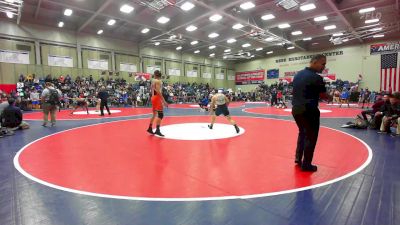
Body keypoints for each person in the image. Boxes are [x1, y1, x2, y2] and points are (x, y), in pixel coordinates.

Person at [291, 54, 329, 172]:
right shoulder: (316, 78)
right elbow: (324, 96)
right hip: (309, 110)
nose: (324, 67)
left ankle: (298, 158)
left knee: (302, 133)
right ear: (314, 62)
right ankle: (306, 164)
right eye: (323, 64)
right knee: (311, 137)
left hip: (296, 109)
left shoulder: (297, 75)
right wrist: (331, 96)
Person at [147, 70, 168, 136]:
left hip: (153, 97)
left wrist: (154, 97)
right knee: (160, 115)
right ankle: (157, 130)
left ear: (155, 75)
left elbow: (152, 89)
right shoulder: (158, 81)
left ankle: (150, 128)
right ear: (160, 75)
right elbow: (158, 92)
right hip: (157, 98)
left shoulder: (153, 81)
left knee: (154, 114)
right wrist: (164, 101)